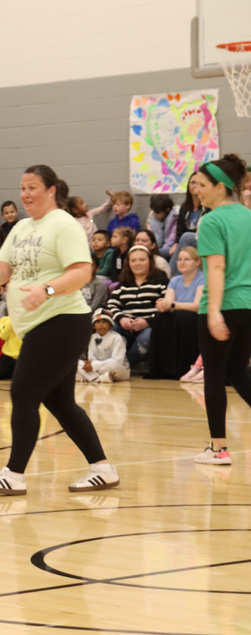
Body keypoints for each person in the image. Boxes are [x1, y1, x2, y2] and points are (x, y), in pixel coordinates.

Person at [0, 165, 119, 495]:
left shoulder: (63, 224)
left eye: (33, 187)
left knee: (23, 393)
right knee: (60, 401)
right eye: (22, 187)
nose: (25, 194)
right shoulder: (21, 227)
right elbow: (2, 271)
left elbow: (82, 272)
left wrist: (46, 290)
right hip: (40, 325)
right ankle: (103, 468)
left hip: (62, 320)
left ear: (51, 190)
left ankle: (14, 474)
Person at [188, 154, 251, 465]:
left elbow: (215, 267)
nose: (196, 190)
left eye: (201, 184)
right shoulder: (248, 215)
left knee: (214, 374)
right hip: (248, 305)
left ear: (220, 186)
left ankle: (219, 449)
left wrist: (213, 311)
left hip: (223, 304)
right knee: (238, 371)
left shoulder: (211, 220)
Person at [147, 246, 204, 379]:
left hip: (196, 318)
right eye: (179, 259)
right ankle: (161, 368)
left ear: (197, 262)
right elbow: (168, 303)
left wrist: (172, 305)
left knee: (183, 317)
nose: (181, 262)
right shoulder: (175, 280)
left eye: (187, 259)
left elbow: (197, 306)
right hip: (180, 317)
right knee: (160, 317)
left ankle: (184, 368)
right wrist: (162, 305)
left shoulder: (202, 278)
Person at [106, 245, 169, 366]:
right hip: (125, 325)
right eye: (133, 260)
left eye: (142, 260)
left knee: (146, 339)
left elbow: (165, 307)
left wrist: (147, 321)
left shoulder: (161, 280)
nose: (137, 263)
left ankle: (122, 365)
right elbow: (112, 304)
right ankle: (114, 364)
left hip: (149, 325)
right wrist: (122, 319)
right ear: (128, 263)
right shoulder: (124, 282)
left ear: (150, 261)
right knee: (110, 328)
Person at [171, 178, 203, 273]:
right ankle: (164, 275)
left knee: (187, 236)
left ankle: (173, 275)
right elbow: (179, 230)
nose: (195, 186)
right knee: (162, 251)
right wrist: (176, 244)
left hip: (200, 240)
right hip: (184, 242)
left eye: (198, 183)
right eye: (193, 182)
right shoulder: (184, 207)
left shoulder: (208, 207)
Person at [147, 194, 178, 258]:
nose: (155, 214)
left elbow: (171, 239)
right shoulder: (153, 218)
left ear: (167, 210)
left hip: (170, 248)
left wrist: (158, 251)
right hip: (157, 248)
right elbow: (150, 235)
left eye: (157, 213)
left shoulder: (175, 219)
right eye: (154, 212)